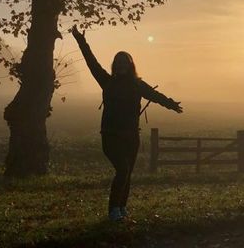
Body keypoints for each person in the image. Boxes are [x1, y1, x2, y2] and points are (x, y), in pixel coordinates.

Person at [71, 25, 183, 222]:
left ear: (130, 65)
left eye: (125, 62)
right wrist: (81, 40)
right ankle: (113, 210)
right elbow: (91, 62)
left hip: (131, 136)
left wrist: (171, 104)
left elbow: (155, 95)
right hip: (110, 135)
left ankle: (122, 208)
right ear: (115, 65)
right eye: (118, 62)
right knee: (123, 170)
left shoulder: (137, 84)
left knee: (128, 173)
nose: (121, 65)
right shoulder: (106, 81)